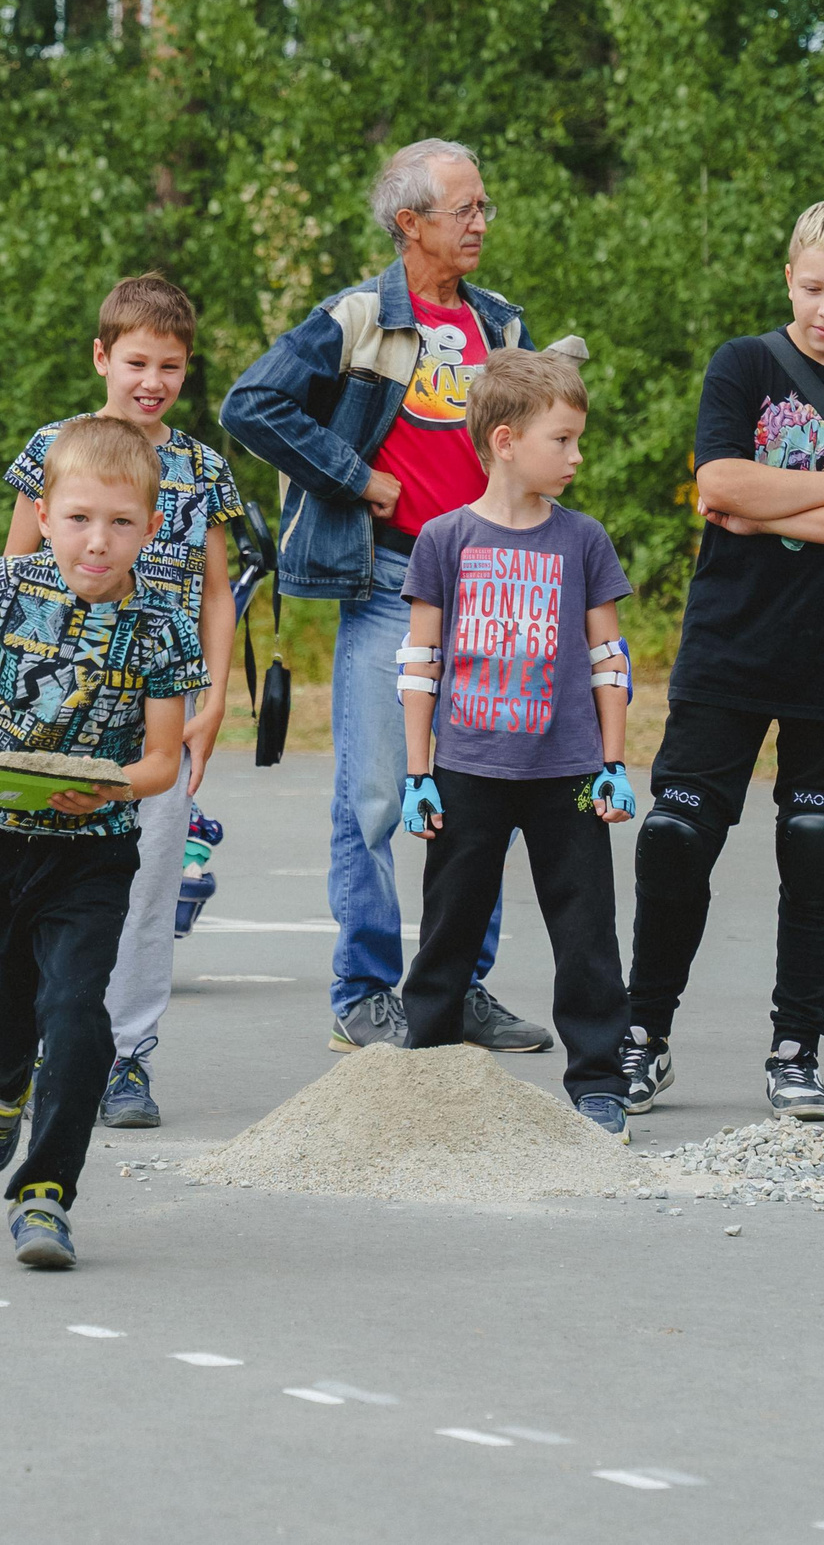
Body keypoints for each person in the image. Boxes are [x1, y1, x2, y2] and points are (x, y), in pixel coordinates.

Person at [221, 138, 572, 1055]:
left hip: (488, 584)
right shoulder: (356, 318)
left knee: (482, 792)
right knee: (376, 794)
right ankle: (364, 993)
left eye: (485, 206)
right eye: (466, 209)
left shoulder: (502, 323)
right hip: (389, 579)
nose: (482, 222)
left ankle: (457, 989)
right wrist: (354, 475)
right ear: (410, 222)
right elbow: (250, 404)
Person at [618, 198, 824, 1124]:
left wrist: (767, 512)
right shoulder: (744, 364)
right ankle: (642, 1034)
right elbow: (718, 480)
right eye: (813, 288)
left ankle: (796, 1049)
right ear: (788, 278)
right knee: (675, 834)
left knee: (817, 842)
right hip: (732, 641)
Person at [0, 416, 202, 1271]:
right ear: (45, 516)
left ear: (150, 528)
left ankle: (46, 1191)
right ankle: (2, 1081)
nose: (99, 541)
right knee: (4, 1019)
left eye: (121, 523)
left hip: (93, 852)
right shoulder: (7, 583)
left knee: (79, 1019)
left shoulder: (164, 626)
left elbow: (164, 760)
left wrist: (116, 784)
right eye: (80, 518)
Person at [0, 273, 240, 1129]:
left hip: (161, 706)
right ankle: (41, 1040)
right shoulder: (55, 446)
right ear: (102, 356)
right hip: (58, 696)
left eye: (170, 366)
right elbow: (14, 573)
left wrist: (214, 698)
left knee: (147, 882)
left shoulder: (202, 468)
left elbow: (218, 594)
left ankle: (127, 1056)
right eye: (137, 361)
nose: (152, 381)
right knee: (43, 876)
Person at [396, 349, 638, 1138]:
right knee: (449, 925)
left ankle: (599, 1080)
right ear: (505, 442)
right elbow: (421, 662)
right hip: (468, 768)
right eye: (562, 440)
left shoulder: (583, 540)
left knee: (587, 931)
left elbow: (609, 660)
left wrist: (614, 762)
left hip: (568, 771)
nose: (576, 455)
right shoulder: (444, 539)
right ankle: (424, 1074)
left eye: (577, 439)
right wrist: (418, 773)